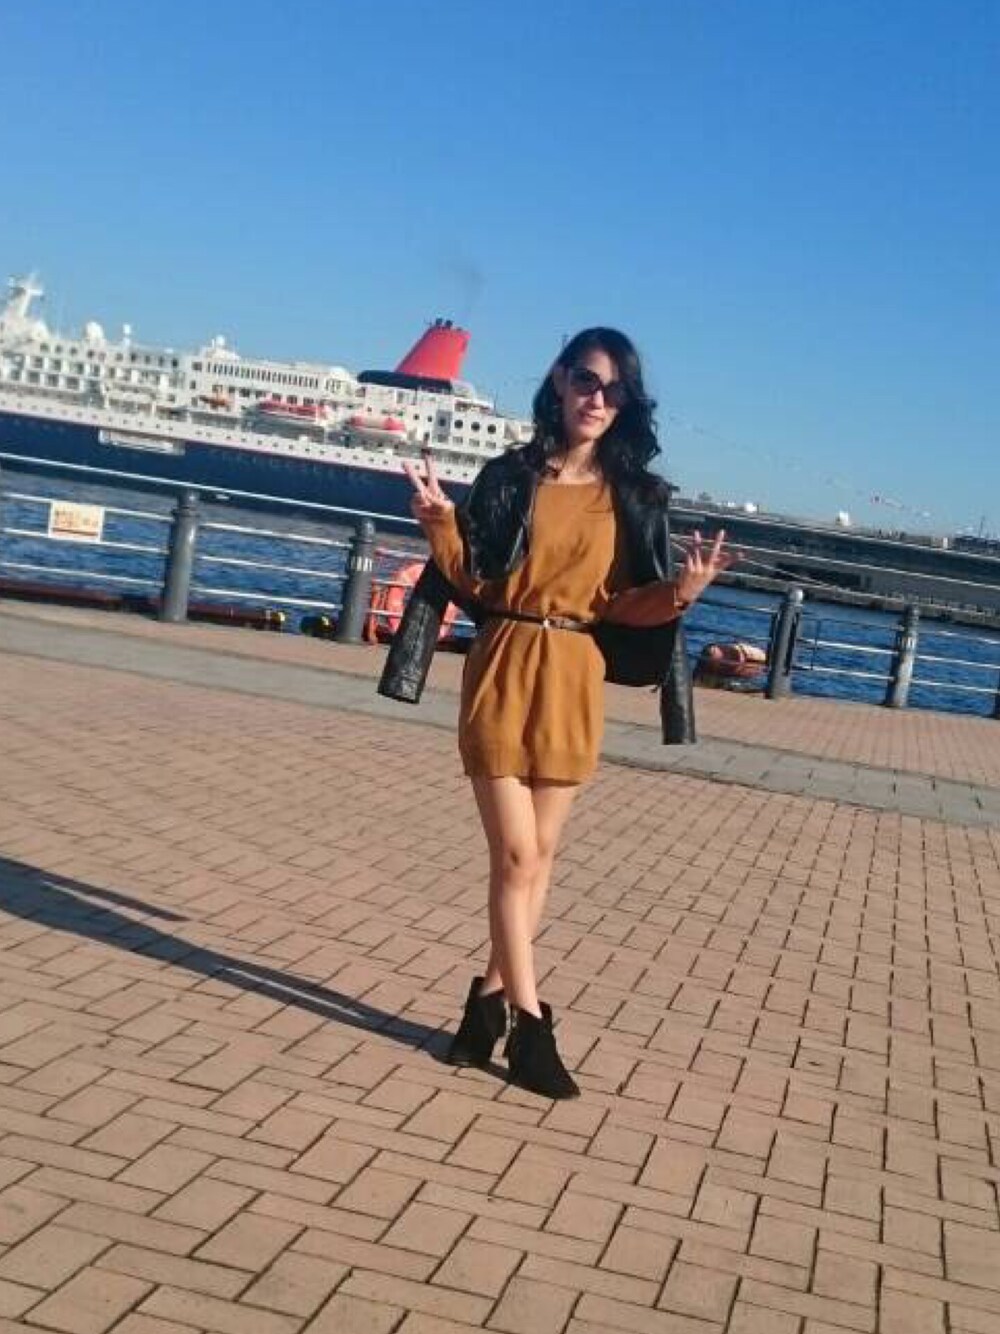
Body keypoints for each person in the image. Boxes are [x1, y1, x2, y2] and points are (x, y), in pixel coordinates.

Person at [384, 328, 734, 1098]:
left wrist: (681, 594)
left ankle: (482, 1010)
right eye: (586, 381)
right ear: (559, 380)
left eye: (614, 390)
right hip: (504, 663)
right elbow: (477, 581)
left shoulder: (635, 496)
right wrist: (440, 523)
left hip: (575, 673)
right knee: (515, 858)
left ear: (627, 403)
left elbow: (622, 605)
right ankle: (531, 1025)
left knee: (538, 860)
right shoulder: (510, 476)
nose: (597, 399)